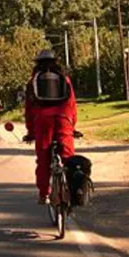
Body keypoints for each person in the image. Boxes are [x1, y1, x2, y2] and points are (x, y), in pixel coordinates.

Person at [23, 49, 78, 204]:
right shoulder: (65, 79)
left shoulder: (33, 81)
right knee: (68, 158)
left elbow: (29, 109)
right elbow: (72, 104)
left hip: (42, 122)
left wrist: (30, 131)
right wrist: (72, 126)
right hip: (64, 118)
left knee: (44, 160)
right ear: (55, 62)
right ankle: (72, 190)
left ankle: (44, 194)